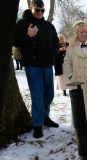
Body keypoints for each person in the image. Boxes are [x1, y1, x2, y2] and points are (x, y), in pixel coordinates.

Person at [13, 0, 59, 138]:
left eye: (42, 10)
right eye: (37, 10)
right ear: (31, 8)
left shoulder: (49, 26)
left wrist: (53, 54)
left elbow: (55, 43)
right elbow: (15, 42)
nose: (40, 13)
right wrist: (28, 36)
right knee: (37, 96)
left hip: (47, 66)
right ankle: (37, 124)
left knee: (49, 94)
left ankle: (45, 117)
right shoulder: (23, 23)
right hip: (33, 67)